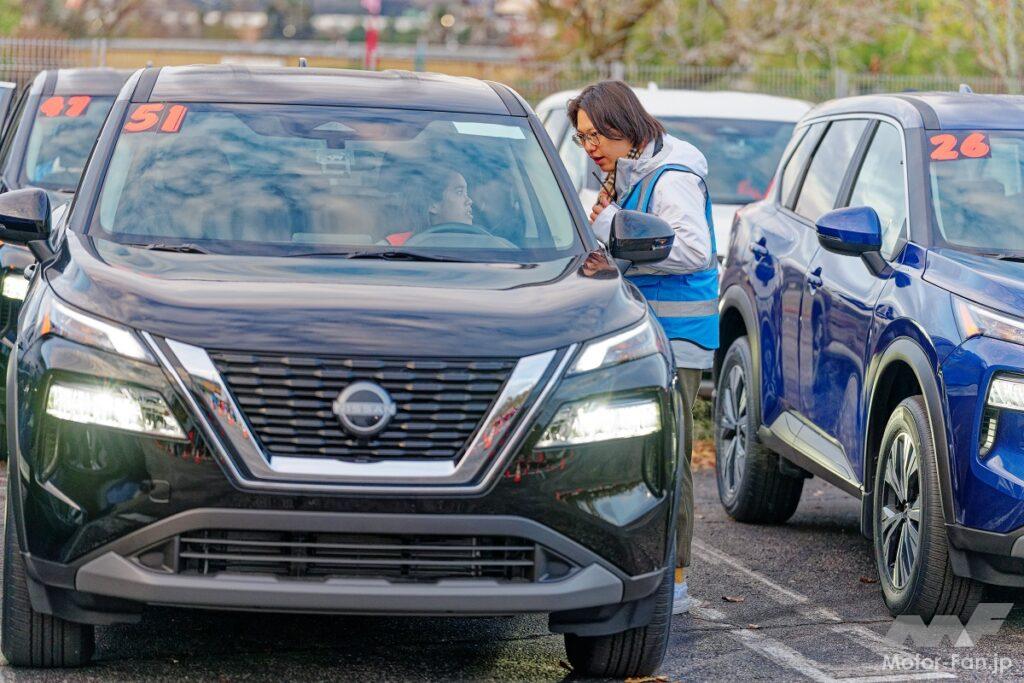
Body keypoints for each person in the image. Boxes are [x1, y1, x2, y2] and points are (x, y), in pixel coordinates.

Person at [567, 80, 719, 616]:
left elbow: (694, 249)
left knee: (667, 458)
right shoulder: (628, 172)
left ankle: (675, 578)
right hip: (642, 335)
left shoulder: (670, 176)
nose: (589, 146)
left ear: (623, 125)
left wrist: (611, 226)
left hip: (676, 339)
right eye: (582, 137)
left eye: (595, 135)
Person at [386, 168, 474, 246]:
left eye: (466, 193)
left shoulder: (479, 244)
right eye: (459, 192)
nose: (469, 201)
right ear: (433, 205)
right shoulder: (395, 246)